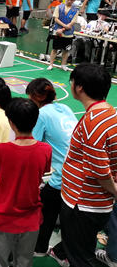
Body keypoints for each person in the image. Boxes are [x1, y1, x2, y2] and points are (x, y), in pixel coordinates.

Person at [51, 63, 117, 267]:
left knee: (79, 258)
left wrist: (115, 191)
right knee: (83, 249)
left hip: (83, 202)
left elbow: (100, 171)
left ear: (79, 87)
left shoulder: (92, 123)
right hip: (94, 201)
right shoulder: (110, 113)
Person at [0, 98, 52, 267]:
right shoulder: (45, 149)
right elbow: (43, 171)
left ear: (11, 122)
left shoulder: (1, 150)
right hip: (30, 218)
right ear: (35, 121)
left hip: (3, 217)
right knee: (24, 262)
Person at [24, 78, 77, 257]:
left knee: (46, 205)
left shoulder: (41, 114)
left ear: (35, 97)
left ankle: (40, 248)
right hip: (79, 170)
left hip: (64, 174)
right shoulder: (65, 108)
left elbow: (33, 147)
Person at [47, 0, 78, 71]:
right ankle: (51, 64)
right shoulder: (59, 7)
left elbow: (72, 22)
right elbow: (56, 19)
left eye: (72, 0)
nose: (70, 1)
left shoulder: (75, 10)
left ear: (74, 0)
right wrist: (64, 26)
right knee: (55, 49)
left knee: (66, 50)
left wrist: (63, 29)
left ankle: (63, 65)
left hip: (68, 34)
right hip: (57, 32)